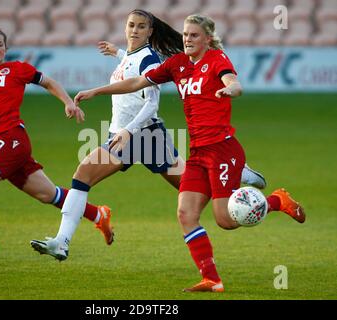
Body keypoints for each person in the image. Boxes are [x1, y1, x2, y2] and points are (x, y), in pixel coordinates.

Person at [73, 14, 306, 292]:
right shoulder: (178, 64)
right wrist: (96, 91)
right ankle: (212, 279)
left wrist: (231, 90)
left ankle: (277, 201)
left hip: (222, 148)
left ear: (207, 39)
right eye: (185, 34)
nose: (187, 39)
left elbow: (233, 81)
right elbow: (137, 83)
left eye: (194, 35)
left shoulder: (217, 59)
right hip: (197, 152)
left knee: (225, 220)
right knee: (186, 214)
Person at [30, 10, 266, 262]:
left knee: (194, 189)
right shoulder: (129, 57)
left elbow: (151, 103)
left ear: (150, 32)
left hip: (145, 135)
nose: (134, 30)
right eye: (131, 25)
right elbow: (132, 72)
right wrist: (114, 58)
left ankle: (234, 172)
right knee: (83, 175)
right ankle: (62, 243)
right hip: (123, 134)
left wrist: (127, 130)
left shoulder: (149, 58)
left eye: (141, 27)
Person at [0, 24, 114, 260]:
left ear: (5, 49)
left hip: (11, 137)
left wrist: (68, 102)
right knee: (49, 195)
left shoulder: (17, 69)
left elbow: (48, 82)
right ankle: (98, 215)